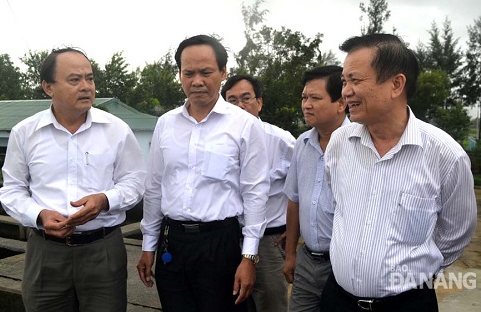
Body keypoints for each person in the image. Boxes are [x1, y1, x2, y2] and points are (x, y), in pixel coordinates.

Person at [321, 33, 477, 312]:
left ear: (396, 84)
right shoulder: (339, 143)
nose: (345, 91)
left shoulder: (445, 155)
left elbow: (455, 233)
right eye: (345, 81)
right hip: (338, 300)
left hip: (408, 304)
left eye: (355, 80)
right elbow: (339, 207)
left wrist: (414, 270)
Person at [0, 47, 146, 312]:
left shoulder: (116, 130)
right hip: (46, 251)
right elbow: (12, 190)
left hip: (102, 249)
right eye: (74, 80)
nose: (86, 86)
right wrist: (40, 214)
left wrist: (104, 200)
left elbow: (135, 182)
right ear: (48, 87)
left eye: (89, 78)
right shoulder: (25, 133)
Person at [136, 35, 270, 312]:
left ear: (223, 73)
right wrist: (149, 245)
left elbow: (255, 192)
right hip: (172, 240)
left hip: (220, 243)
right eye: (189, 73)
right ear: (180, 75)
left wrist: (249, 256)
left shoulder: (244, 125)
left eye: (206, 72)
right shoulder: (166, 124)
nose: (197, 81)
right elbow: (154, 186)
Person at [221, 74, 296, 312]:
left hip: (268, 242)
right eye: (231, 100)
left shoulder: (282, 141)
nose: (240, 106)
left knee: (270, 305)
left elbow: (306, 187)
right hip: (226, 238)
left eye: (246, 98)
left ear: (260, 102)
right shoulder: (217, 141)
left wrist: (297, 229)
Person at [282, 65, 350, 312]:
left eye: (315, 98)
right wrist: (291, 254)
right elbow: (294, 200)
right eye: (304, 97)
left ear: (341, 103)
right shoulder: (302, 143)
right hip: (307, 260)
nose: (306, 104)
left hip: (343, 265)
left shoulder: (359, 144)